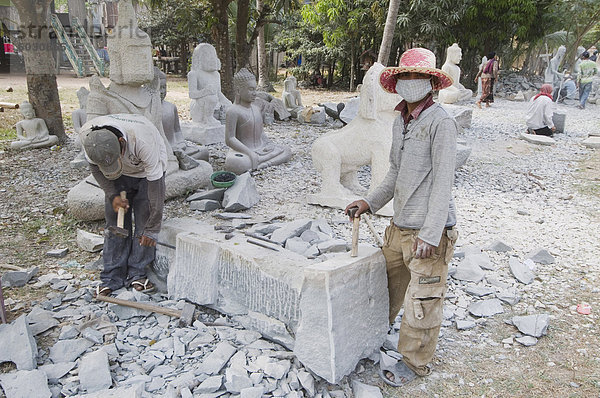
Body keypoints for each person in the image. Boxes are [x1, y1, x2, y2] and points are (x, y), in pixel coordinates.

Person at [345, 47, 459, 386]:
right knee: (387, 288)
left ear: (430, 82)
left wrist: (430, 232)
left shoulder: (441, 123)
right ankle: (374, 338)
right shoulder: (401, 122)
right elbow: (394, 173)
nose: (411, 82)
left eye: (418, 76)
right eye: (405, 76)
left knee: (422, 299)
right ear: (397, 83)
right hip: (399, 226)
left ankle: (415, 360)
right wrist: (369, 201)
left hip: (429, 231)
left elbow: (443, 182)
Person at [80, 114, 167, 297]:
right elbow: (95, 168)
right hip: (119, 173)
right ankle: (112, 277)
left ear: (121, 141)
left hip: (146, 173)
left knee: (145, 219)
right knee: (115, 224)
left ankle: (138, 272)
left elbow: (156, 190)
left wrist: (152, 228)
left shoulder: (144, 141)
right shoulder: (90, 140)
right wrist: (112, 195)